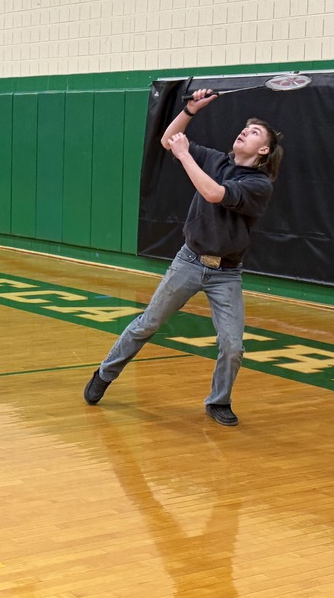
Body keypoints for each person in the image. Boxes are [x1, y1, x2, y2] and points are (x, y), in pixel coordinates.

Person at [83, 88, 283, 426]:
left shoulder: (259, 185)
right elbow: (169, 139)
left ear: (263, 150)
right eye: (244, 128)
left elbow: (213, 193)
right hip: (189, 262)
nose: (244, 131)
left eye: (253, 132)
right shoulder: (216, 159)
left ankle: (219, 401)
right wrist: (191, 110)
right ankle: (104, 373)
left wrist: (185, 155)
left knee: (233, 346)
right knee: (147, 324)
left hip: (227, 274)